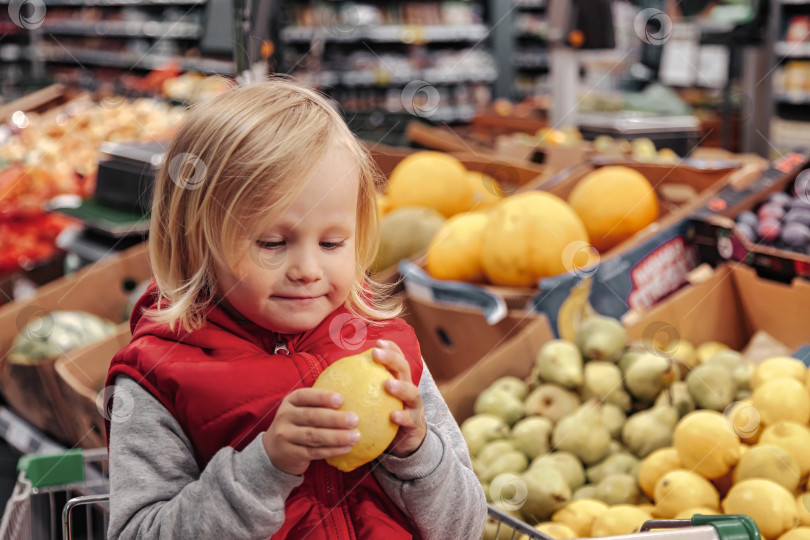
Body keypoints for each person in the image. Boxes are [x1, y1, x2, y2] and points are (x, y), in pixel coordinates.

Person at [104, 78, 487, 539]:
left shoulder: (387, 353)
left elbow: (464, 527)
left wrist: (416, 452)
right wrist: (265, 468)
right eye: (272, 243)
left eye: (331, 242)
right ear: (195, 240)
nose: (307, 269)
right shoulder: (158, 376)